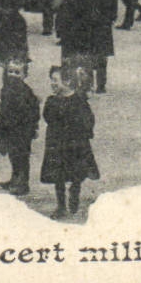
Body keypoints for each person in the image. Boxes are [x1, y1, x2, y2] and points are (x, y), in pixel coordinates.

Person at [39, 64, 98, 220]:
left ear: (67, 81)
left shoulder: (79, 100)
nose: (52, 83)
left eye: (55, 80)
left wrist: (84, 133)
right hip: (57, 144)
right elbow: (47, 117)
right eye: (51, 80)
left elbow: (88, 119)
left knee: (77, 171)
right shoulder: (52, 100)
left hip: (75, 144)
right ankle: (61, 205)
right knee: (58, 175)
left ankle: (75, 190)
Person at [0, 57, 39, 196]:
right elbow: (3, 110)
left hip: (21, 130)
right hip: (9, 128)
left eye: (17, 72)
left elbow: (33, 111)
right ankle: (14, 178)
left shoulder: (26, 92)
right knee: (13, 155)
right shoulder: (5, 89)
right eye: (10, 72)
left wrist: (32, 128)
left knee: (22, 157)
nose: (13, 75)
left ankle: (23, 183)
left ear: (24, 75)